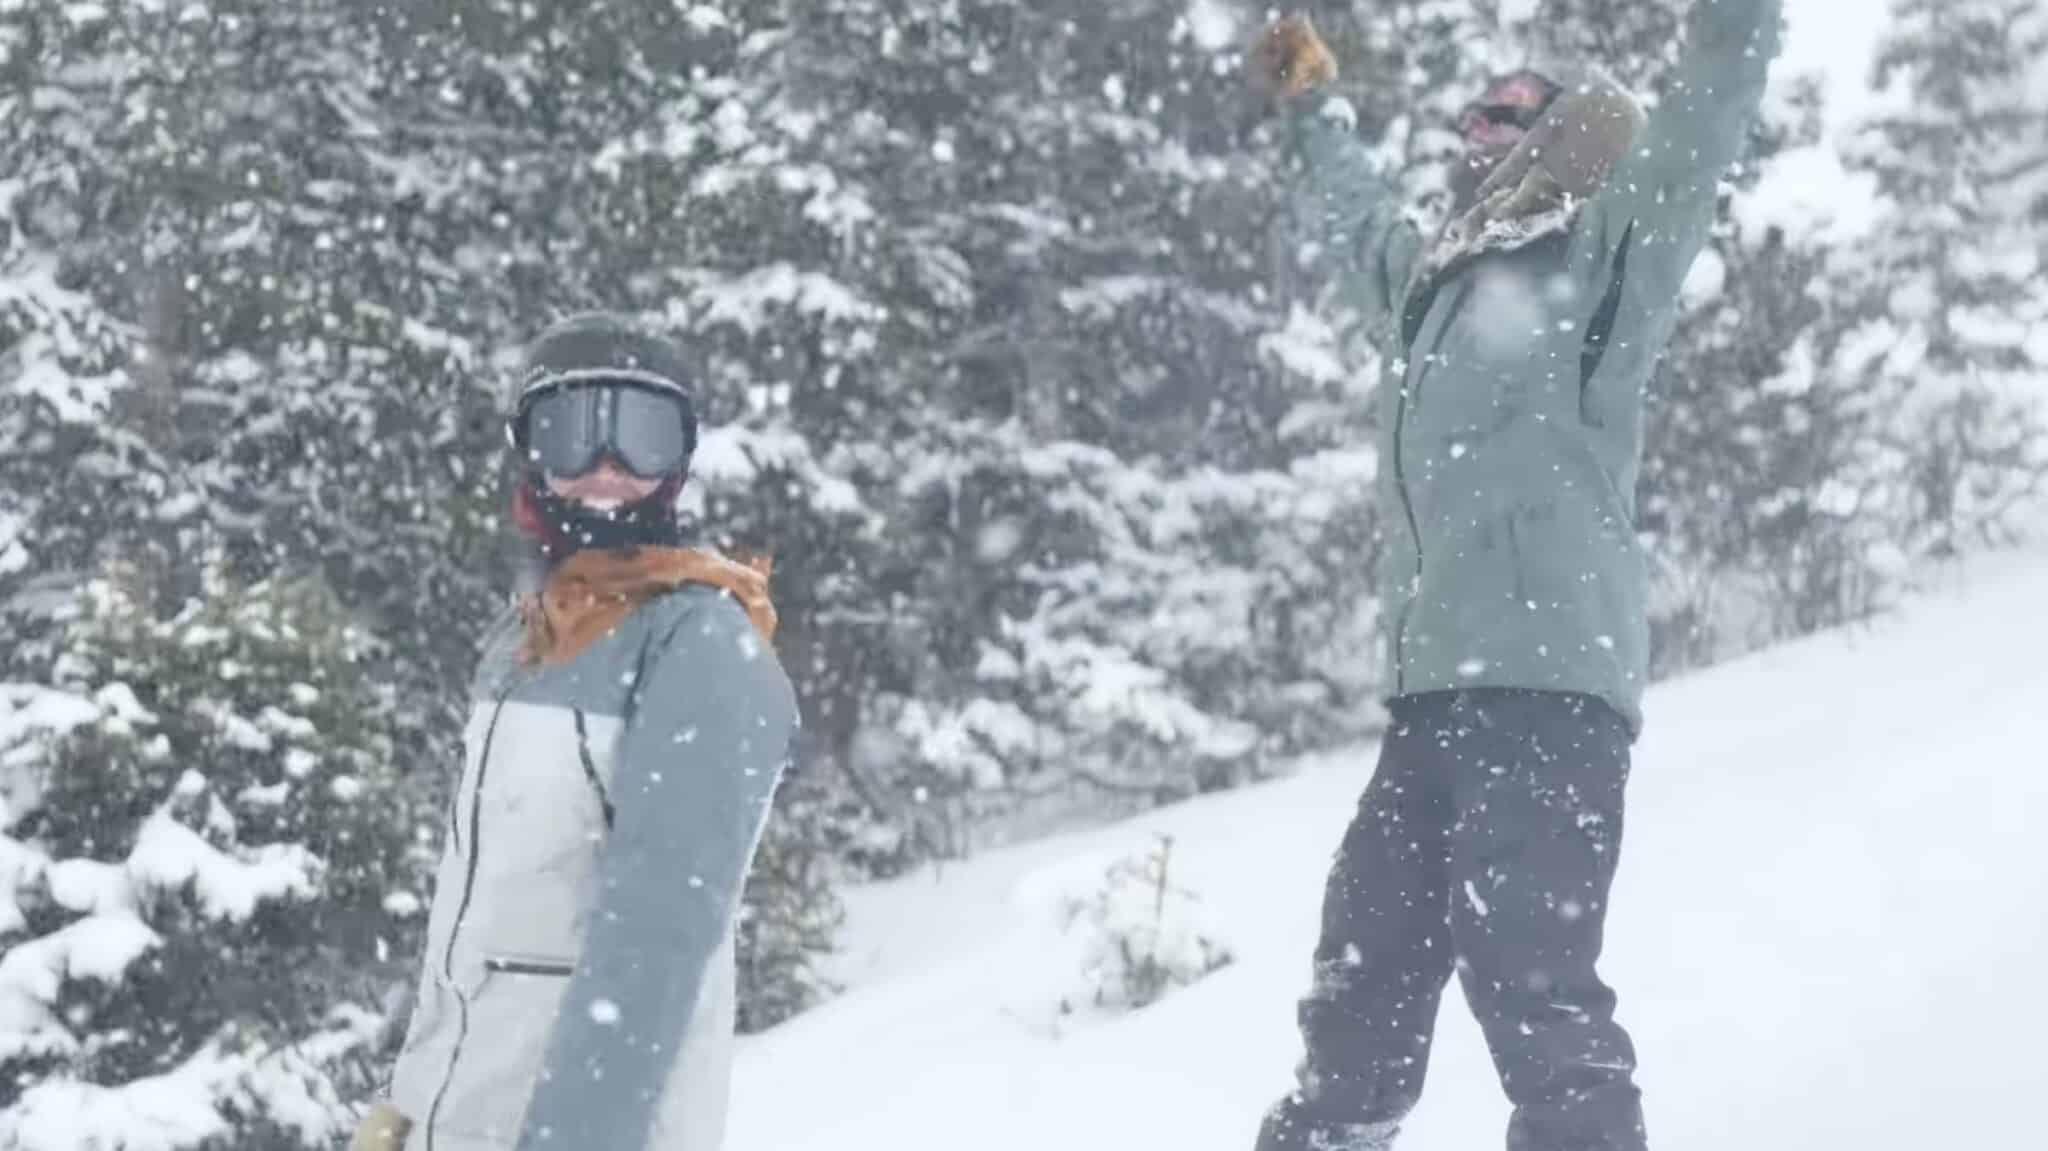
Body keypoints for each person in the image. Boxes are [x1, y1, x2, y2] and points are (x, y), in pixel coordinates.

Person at [1247, 4, 1780, 1151]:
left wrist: (1734, 24)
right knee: (1362, 966)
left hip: (1546, 690)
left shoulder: (1601, 257)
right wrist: (1311, 108)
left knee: (1528, 974)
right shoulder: (1431, 289)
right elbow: (1358, 220)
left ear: (1557, 134)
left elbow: (1705, 114)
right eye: (1467, 112)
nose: (1469, 125)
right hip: (1430, 699)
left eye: (1500, 109)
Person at [350, 313, 800, 1151]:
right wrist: (404, 1100)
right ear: (531, 454)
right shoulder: (525, 640)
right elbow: (475, 926)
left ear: (679, 462)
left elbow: (653, 941)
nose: (605, 469)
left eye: (640, 436)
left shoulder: (700, 645)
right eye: (572, 434)